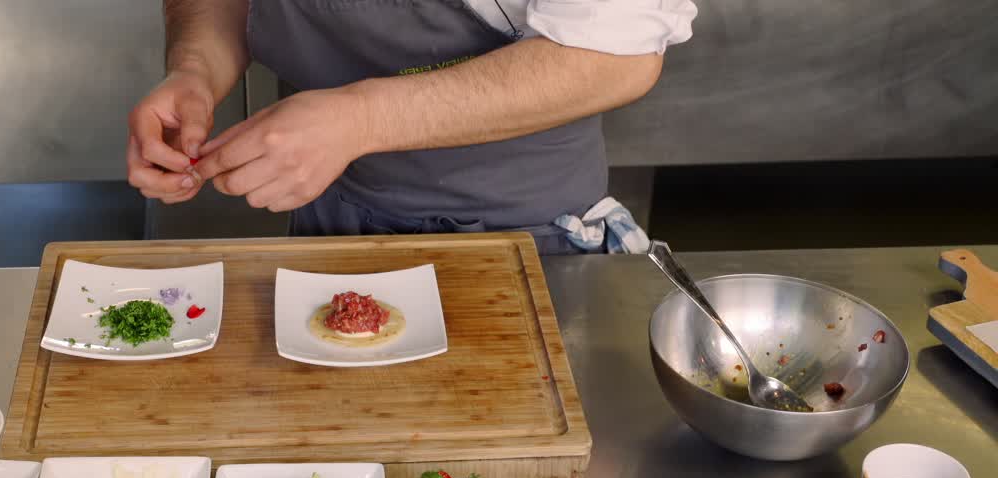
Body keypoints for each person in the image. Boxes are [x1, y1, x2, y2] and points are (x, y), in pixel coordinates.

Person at [127, 0, 696, 254]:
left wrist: (361, 118)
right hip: (334, 222)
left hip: (521, 235)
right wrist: (196, 69)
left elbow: (615, 58)